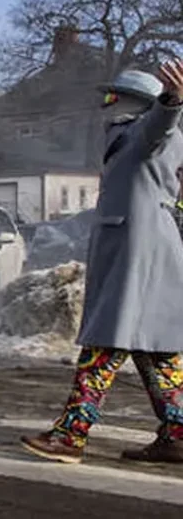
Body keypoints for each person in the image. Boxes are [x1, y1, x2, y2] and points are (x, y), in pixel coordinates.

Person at [21, 62, 183, 464]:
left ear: (134, 103)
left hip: (138, 257)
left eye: (112, 96)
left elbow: (157, 128)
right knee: (156, 351)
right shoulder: (127, 139)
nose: (105, 104)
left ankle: (70, 435)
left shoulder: (144, 133)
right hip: (140, 254)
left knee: (106, 342)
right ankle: (178, 435)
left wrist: (170, 101)